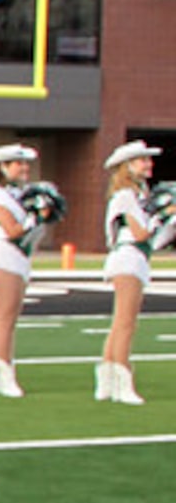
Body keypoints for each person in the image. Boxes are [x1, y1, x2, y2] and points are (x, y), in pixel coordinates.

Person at [97, 141, 161, 406]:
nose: (148, 164)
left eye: (148, 160)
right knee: (125, 323)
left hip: (133, 259)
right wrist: (165, 215)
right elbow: (141, 233)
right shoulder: (125, 195)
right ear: (127, 166)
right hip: (128, 259)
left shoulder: (137, 194)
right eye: (141, 160)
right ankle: (122, 384)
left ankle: (107, 380)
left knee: (120, 323)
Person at [0, 144, 42, 398]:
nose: (24, 168)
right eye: (18, 163)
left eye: (26, 164)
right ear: (2, 167)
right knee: (5, 318)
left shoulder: (19, 194)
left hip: (16, 257)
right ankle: (4, 375)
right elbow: (13, 229)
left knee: (3, 318)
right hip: (3, 255)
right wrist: (36, 215)